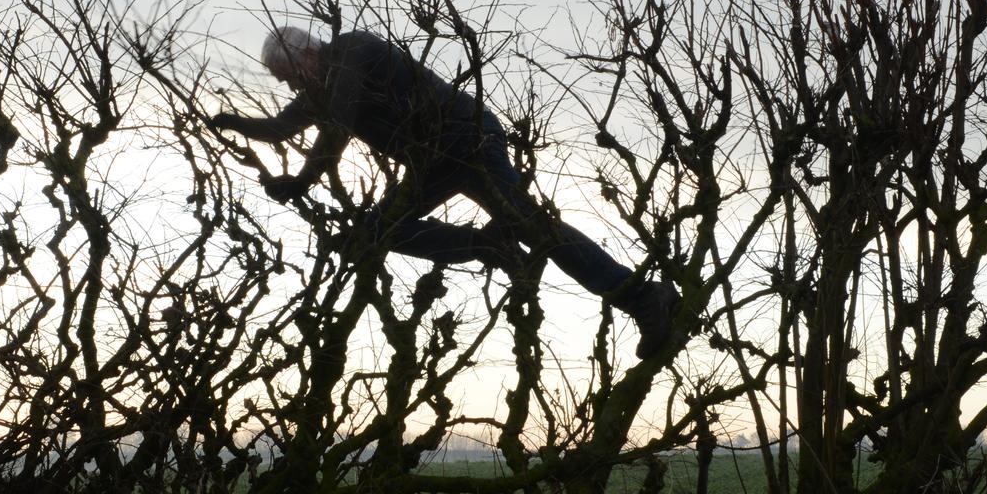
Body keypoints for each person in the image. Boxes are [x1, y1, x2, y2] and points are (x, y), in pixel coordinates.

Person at [208, 26, 680, 356]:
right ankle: (485, 245)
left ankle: (644, 298)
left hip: (468, 139)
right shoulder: (320, 91)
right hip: (432, 162)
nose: (291, 85)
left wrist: (302, 180)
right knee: (382, 230)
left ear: (307, 55)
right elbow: (279, 128)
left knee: (533, 226)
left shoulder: (353, 50)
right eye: (284, 81)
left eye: (290, 75)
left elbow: (340, 124)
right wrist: (229, 122)